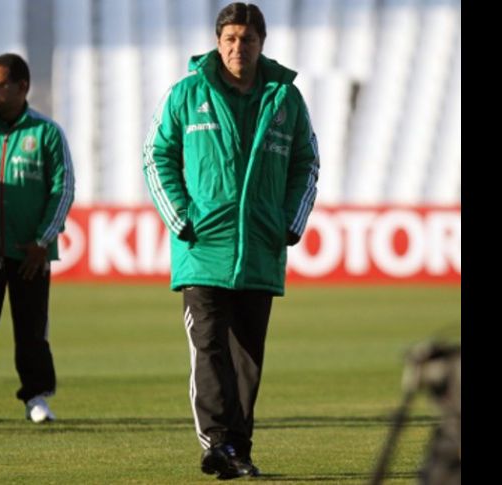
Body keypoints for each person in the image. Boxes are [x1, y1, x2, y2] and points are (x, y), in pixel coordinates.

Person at [142, 2, 319, 479]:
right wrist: (180, 217)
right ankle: (218, 443)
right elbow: (156, 155)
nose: (238, 47)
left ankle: (237, 449)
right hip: (202, 247)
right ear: (218, 42)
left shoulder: (286, 99)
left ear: (263, 42)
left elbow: (307, 163)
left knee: (247, 361)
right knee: (208, 348)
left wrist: (290, 222)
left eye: (248, 39)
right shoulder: (185, 93)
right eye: (230, 39)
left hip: (260, 248)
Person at [0, 53, 75, 424]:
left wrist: (43, 240)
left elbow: (63, 189)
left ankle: (36, 398)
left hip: (30, 252)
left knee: (32, 330)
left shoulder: (46, 132)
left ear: (22, 87)